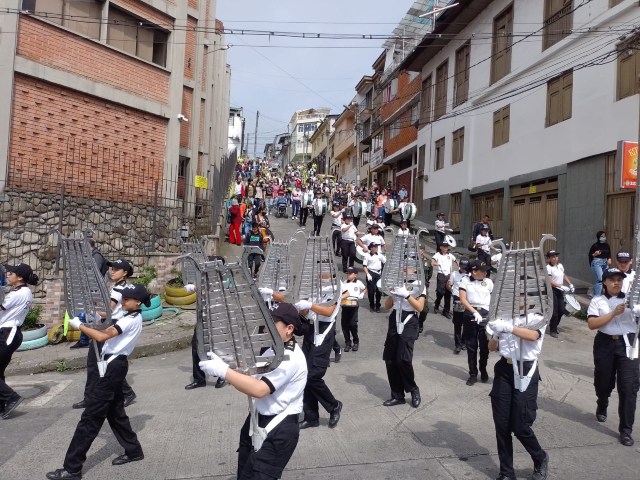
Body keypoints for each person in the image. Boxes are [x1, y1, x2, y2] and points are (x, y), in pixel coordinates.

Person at [47, 284, 150, 480]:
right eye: (123, 298)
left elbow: (102, 336)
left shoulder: (130, 320)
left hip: (113, 367)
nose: (123, 301)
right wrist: (93, 319)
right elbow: (105, 327)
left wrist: (80, 326)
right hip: (114, 366)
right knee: (115, 412)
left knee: (90, 418)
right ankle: (134, 450)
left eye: (127, 299)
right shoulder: (127, 317)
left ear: (137, 302)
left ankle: (72, 468)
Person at [198, 302, 308, 480]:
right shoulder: (272, 351)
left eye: (272, 324)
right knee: (244, 473)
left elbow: (258, 389)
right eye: (265, 322)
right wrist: (228, 366)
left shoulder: (290, 358)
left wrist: (223, 371)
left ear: (289, 328)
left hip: (279, 428)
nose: (266, 328)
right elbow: (250, 377)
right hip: (257, 420)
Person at [487, 313, 549, 480]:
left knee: (521, 425)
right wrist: (495, 333)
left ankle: (540, 457)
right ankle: (506, 472)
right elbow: (492, 347)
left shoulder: (537, 316)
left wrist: (508, 328)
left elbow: (533, 335)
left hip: (525, 370)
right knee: (502, 425)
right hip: (504, 369)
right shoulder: (504, 316)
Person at [71, 259, 137, 410]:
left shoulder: (118, 290)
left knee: (95, 362)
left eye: (116, 269)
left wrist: (89, 308)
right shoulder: (123, 286)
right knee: (103, 361)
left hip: (110, 324)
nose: (112, 271)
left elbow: (107, 310)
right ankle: (125, 393)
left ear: (125, 273)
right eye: (112, 268)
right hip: (114, 323)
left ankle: (91, 398)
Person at [587, 267, 639, 447]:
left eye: (620, 279)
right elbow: (592, 324)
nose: (617, 282)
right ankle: (602, 402)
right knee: (603, 381)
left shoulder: (632, 299)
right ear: (605, 282)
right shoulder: (597, 300)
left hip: (628, 344)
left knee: (628, 387)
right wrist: (613, 313)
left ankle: (626, 430)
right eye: (613, 279)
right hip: (605, 343)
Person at [292, 295, 345, 429]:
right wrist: (301, 308)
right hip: (311, 328)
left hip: (324, 330)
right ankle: (311, 417)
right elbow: (306, 312)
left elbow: (328, 311)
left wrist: (309, 305)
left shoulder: (335, 286)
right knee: (304, 374)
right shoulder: (312, 285)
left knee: (314, 375)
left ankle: (334, 405)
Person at [0, 263, 39, 419]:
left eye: (11, 273)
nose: (8, 275)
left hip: (8, 333)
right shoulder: (23, 291)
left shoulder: (17, 294)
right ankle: (3, 405)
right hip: (9, 333)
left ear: (20, 277)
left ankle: (11, 397)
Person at [382, 282, 425, 408]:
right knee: (390, 359)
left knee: (403, 359)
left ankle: (413, 389)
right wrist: (392, 293)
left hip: (409, 319)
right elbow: (387, 306)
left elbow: (420, 307)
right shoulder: (398, 282)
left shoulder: (419, 283)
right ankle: (397, 395)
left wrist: (406, 295)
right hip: (395, 317)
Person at [71, 238, 110, 349]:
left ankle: (87, 338)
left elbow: (93, 273)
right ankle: (87, 338)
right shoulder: (92, 256)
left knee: (87, 314)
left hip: (95, 290)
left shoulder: (96, 256)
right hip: (92, 289)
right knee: (87, 314)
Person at [459, 260, 493, 386]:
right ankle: (473, 373)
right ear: (474, 271)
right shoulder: (465, 281)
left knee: (484, 346)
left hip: (485, 314)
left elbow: (493, 299)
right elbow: (463, 299)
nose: (485, 272)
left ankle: (483, 369)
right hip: (470, 313)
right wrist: (474, 312)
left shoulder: (488, 282)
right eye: (483, 270)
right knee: (471, 346)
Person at [545, 250, 574, 338]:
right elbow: (549, 281)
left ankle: (553, 325)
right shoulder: (548, 268)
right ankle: (553, 330)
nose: (555, 258)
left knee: (561, 310)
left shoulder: (560, 266)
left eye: (556, 256)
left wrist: (570, 284)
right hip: (552, 290)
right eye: (553, 257)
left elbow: (563, 275)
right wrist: (561, 286)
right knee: (554, 311)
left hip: (560, 290)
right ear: (549, 258)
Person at [340, 267, 366, 352]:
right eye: (347, 273)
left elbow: (366, 288)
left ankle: (356, 341)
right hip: (345, 304)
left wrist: (362, 293)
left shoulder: (358, 283)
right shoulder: (344, 282)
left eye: (350, 273)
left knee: (353, 324)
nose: (348, 275)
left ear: (355, 275)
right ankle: (348, 342)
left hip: (354, 305)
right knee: (344, 324)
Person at [432, 242, 457, 319]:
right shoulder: (437, 255)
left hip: (449, 275)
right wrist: (437, 263)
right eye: (444, 247)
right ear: (441, 247)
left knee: (448, 294)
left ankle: (446, 311)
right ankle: (437, 304)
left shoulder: (450, 255)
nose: (446, 248)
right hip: (441, 275)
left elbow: (456, 260)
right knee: (440, 292)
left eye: (447, 247)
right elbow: (433, 261)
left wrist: (459, 267)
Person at [450, 258, 470, 354]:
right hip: (457, 300)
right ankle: (457, 344)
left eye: (465, 268)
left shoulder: (471, 276)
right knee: (457, 324)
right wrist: (453, 292)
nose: (464, 269)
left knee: (467, 323)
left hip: (468, 301)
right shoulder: (454, 274)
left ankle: (464, 342)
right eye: (462, 268)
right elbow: (449, 284)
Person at [363, 243, 386, 313]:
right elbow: (364, 266)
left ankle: (378, 305)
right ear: (371, 248)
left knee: (379, 290)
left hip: (378, 273)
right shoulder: (367, 256)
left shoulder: (380, 255)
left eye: (377, 247)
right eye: (375, 247)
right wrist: (367, 274)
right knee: (371, 291)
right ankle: (372, 305)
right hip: (371, 273)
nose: (376, 248)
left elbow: (386, 262)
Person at [588, 231, 612, 297]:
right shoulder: (595, 245)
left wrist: (609, 258)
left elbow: (609, 253)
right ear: (598, 237)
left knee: (605, 279)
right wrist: (595, 254)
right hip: (597, 262)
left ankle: (604, 294)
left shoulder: (607, 245)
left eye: (604, 236)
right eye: (602, 236)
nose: (603, 237)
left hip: (605, 262)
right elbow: (590, 255)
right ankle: (597, 296)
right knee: (599, 279)